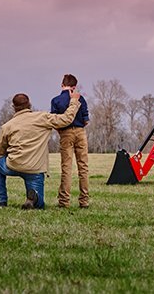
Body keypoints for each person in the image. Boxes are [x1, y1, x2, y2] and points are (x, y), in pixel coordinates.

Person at [0, 90, 81, 209]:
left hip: (14, 164)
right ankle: (34, 199)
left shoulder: (7, 126)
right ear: (29, 104)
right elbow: (66, 119)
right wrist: (74, 101)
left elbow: (0, 150)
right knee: (38, 205)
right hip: (35, 169)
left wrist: (4, 156)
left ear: (14, 107)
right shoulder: (42, 117)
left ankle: (1, 202)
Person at [51, 74, 90, 208]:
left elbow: (54, 121)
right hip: (80, 132)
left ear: (62, 85)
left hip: (65, 133)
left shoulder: (56, 101)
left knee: (66, 168)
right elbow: (86, 120)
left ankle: (64, 201)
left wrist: (62, 131)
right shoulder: (81, 99)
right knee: (83, 168)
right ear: (74, 87)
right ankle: (84, 201)